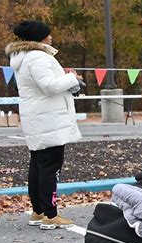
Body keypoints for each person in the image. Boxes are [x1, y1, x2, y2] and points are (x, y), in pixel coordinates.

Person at [5, 20, 83, 230]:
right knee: (50, 166)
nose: (51, 37)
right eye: (48, 34)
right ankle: (51, 214)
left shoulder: (26, 58)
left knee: (39, 164)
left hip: (39, 117)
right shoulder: (38, 57)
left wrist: (65, 77)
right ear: (39, 37)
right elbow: (49, 86)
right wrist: (71, 77)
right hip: (48, 119)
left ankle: (39, 211)